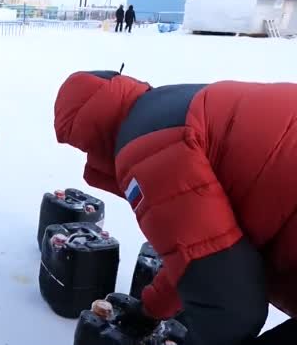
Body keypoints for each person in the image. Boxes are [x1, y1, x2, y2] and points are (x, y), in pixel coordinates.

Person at [52, 70, 297, 345]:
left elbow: (229, 303)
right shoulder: (168, 113)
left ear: (87, 135)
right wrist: (150, 310)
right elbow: (200, 255)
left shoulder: (146, 149)